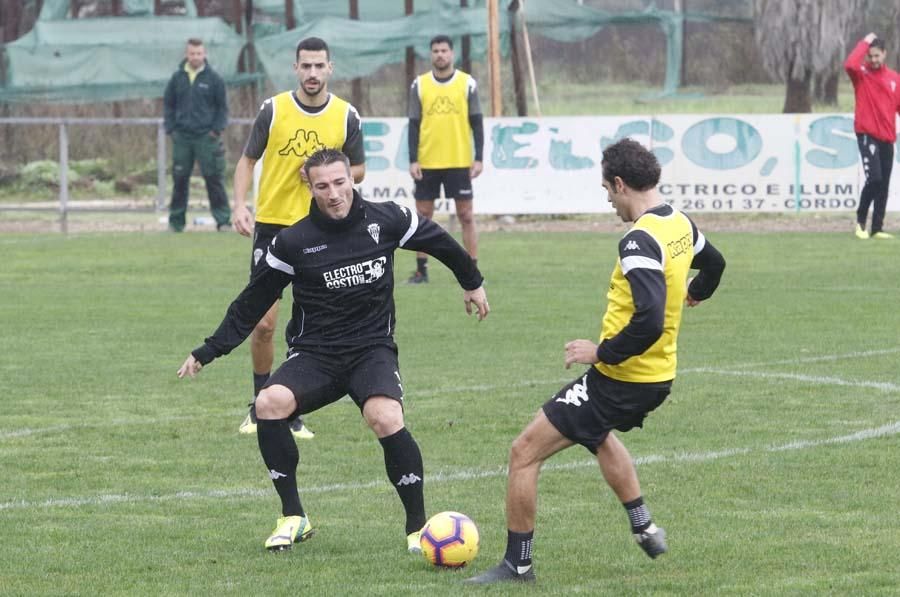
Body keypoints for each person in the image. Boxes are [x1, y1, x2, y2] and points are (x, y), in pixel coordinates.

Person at [177, 148, 489, 552]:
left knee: (385, 414)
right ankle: (294, 517)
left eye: (340, 182)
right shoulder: (294, 241)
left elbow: (441, 242)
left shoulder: (388, 218)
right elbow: (252, 302)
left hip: (371, 350)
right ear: (310, 186)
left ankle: (417, 529)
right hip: (315, 355)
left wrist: (472, 281)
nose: (334, 193)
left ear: (352, 179)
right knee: (269, 402)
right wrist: (207, 350)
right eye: (322, 185)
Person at [466, 138, 726, 584]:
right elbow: (716, 264)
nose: (607, 199)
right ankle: (644, 525)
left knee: (523, 452)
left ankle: (517, 565)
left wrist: (598, 352)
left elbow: (648, 321)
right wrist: (695, 294)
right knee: (594, 433)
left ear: (621, 184)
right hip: (656, 375)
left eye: (607, 189)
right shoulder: (678, 223)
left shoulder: (639, 240)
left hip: (623, 376)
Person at [231, 37, 367, 439]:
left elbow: (357, 170)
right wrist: (240, 204)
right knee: (264, 324)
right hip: (273, 226)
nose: (312, 73)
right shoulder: (274, 110)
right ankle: (260, 405)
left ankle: (290, 408)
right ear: (296, 68)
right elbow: (246, 161)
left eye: (318, 66)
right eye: (305, 66)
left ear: (330, 68)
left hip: (321, 230)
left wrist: (322, 175)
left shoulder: (346, 116)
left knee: (313, 324)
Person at [407, 34, 484, 284]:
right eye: (436, 51)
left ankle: (472, 270)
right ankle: (422, 270)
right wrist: (413, 159)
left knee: (467, 215)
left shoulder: (467, 83)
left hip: (459, 160)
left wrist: (479, 157)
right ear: (431, 55)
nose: (440, 55)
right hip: (428, 161)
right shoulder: (419, 85)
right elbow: (413, 125)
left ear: (452, 54)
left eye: (444, 50)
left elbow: (477, 123)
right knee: (422, 217)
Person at [163, 38, 231, 233]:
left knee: (214, 178)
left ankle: (223, 220)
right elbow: (168, 104)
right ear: (187, 54)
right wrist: (171, 129)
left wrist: (216, 130)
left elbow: (222, 108)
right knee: (180, 179)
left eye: (199, 53)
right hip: (182, 137)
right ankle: (176, 223)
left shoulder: (214, 79)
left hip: (206, 137)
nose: (195, 57)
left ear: (204, 54)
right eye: (192, 53)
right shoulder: (177, 78)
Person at [845, 32, 899, 240]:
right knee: (874, 178)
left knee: (884, 183)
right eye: (870, 56)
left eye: (877, 55)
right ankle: (860, 222)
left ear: (884, 54)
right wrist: (864, 42)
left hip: (887, 138)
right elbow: (849, 64)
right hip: (867, 134)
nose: (874, 60)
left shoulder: (895, 79)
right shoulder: (861, 75)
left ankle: (877, 228)